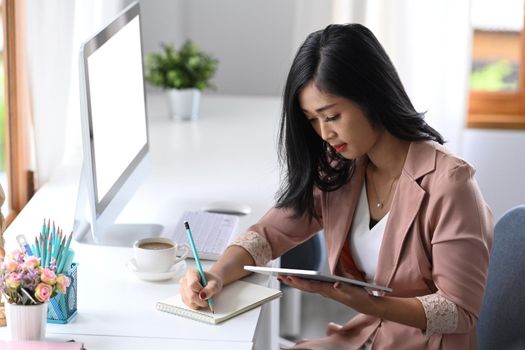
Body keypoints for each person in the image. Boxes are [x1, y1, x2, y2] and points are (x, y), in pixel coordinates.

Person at [179, 23, 493, 349]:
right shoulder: (342, 168)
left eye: (331, 116)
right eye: (312, 119)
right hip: (367, 337)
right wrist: (215, 275)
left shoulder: (451, 185)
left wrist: (364, 302)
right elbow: (268, 234)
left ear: (371, 96)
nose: (324, 133)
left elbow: (458, 310)